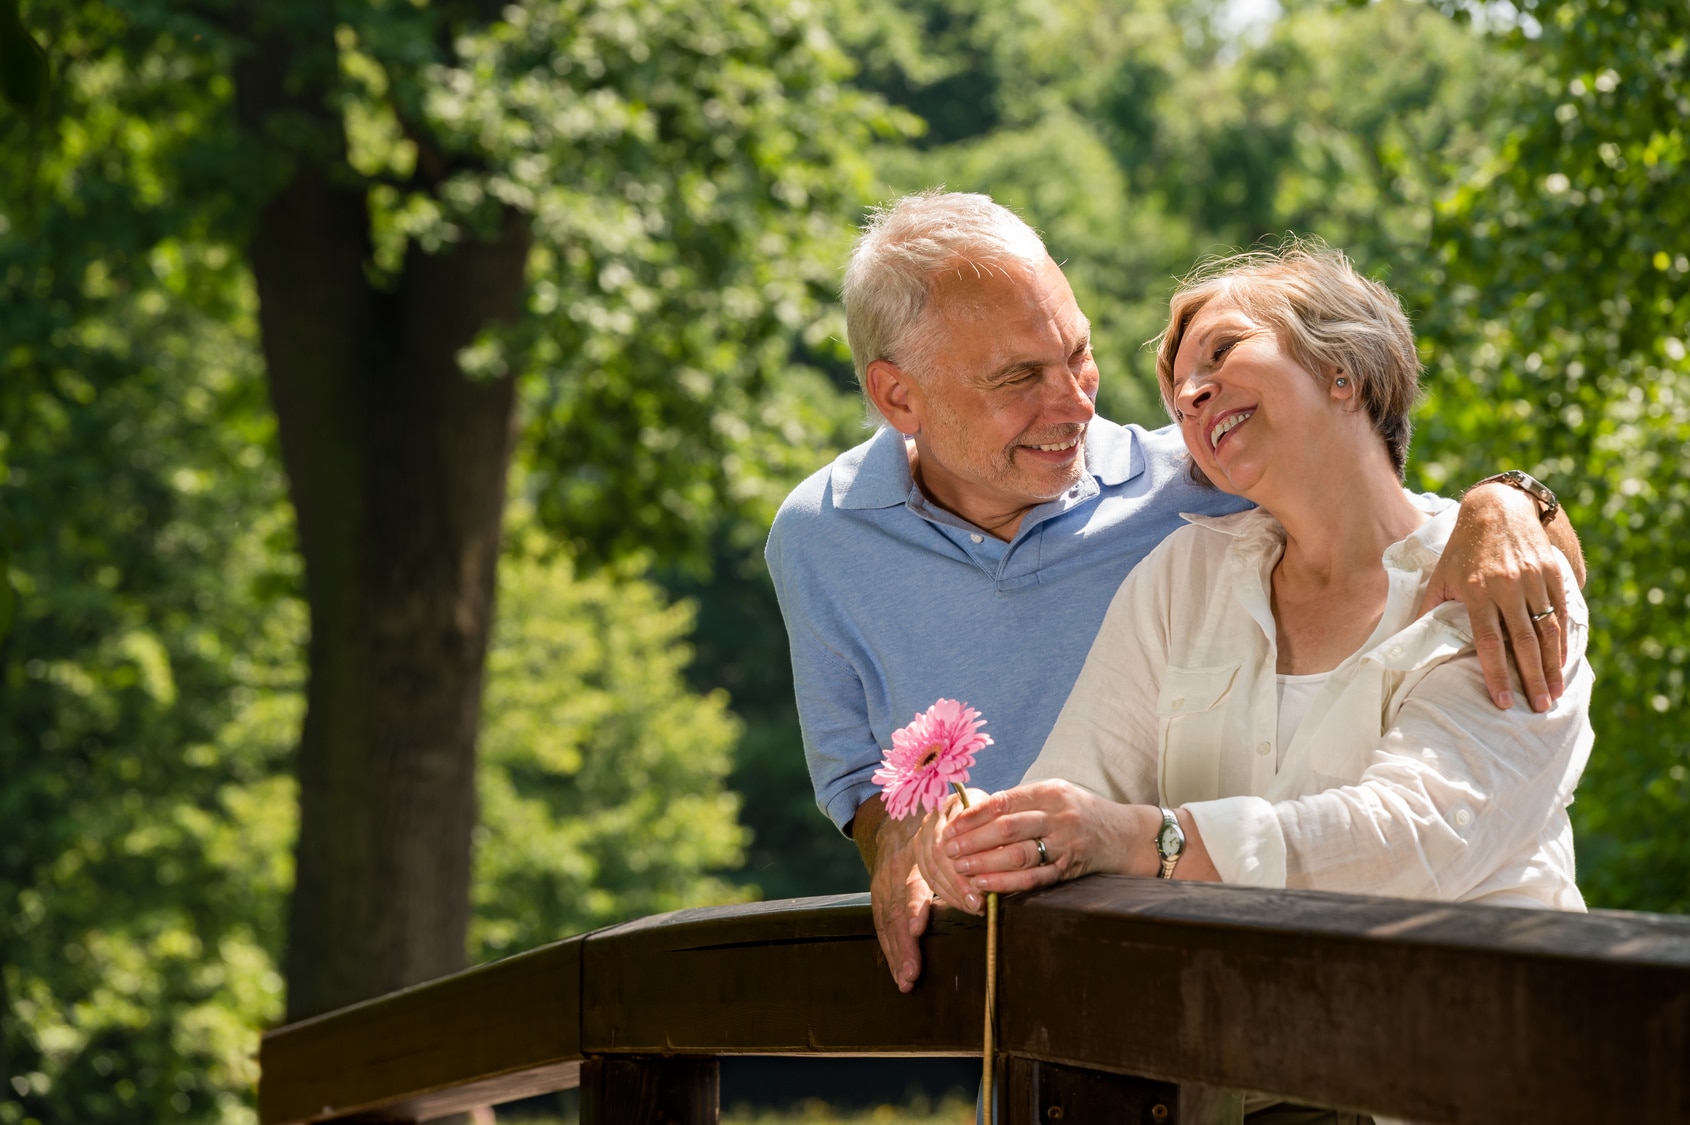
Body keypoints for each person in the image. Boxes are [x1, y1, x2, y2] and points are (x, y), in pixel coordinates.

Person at [765, 191, 1586, 993]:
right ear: (897, 396)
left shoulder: (1193, 490)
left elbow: (1395, 501)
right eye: (1019, 377)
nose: (1077, 403)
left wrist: (1512, 500)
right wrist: (934, 840)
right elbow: (864, 790)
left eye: (1080, 355)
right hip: (1086, 996)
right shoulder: (822, 538)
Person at [917, 238, 1590, 921]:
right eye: (1179, 399)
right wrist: (985, 838)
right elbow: (1071, 797)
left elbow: (1417, 838)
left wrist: (1149, 839)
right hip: (1237, 1018)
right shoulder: (1180, 580)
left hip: (1477, 1011)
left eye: (1224, 350)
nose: (1190, 394)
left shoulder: (1502, 569)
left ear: (1342, 370)